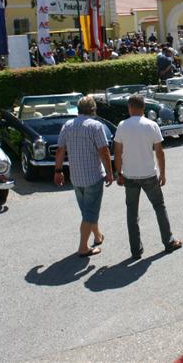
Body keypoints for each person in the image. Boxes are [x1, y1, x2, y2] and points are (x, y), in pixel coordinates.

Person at [114, 95, 182, 259]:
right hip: (149, 174)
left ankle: (136, 250)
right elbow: (159, 152)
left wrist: (119, 172)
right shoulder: (151, 125)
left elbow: (117, 152)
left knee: (132, 212)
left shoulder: (122, 126)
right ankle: (168, 241)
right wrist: (163, 173)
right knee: (159, 207)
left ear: (130, 107)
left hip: (129, 175)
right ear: (143, 108)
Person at [54, 96, 113, 257]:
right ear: (93, 110)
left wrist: (58, 171)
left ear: (78, 109)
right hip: (93, 176)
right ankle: (83, 247)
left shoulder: (68, 125)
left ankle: (97, 235)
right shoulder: (95, 126)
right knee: (90, 212)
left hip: (76, 177)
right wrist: (109, 172)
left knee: (87, 211)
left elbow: (60, 150)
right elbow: (104, 151)